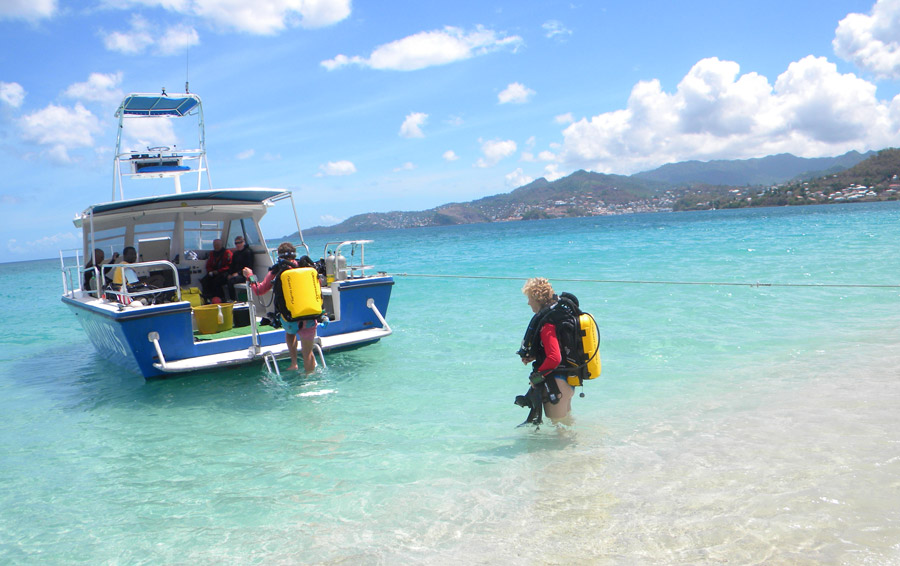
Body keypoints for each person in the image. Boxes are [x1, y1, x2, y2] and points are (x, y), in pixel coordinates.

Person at [243, 242, 318, 373]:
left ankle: (294, 363)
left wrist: (250, 276)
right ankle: (309, 378)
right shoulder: (306, 267)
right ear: (294, 254)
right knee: (308, 354)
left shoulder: (277, 270)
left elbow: (259, 290)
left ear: (279, 256)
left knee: (290, 333)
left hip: (289, 319)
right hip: (310, 317)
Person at [519, 277, 575, 424]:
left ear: (536, 299)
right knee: (566, 424)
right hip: (567, 381)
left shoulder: (547, 324)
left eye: (529, 298)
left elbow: (554, 358)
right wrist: (535, 356)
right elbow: (559, 349)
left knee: (558, 428)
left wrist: (536, 378)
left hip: (556, 384)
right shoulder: (558, 317)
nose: (528, 303)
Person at [200, 238, 232, 302]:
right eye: (214, 245)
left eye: (217, 245)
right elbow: (208, 265)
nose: (216, 246)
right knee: (204, 280)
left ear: (221, 245)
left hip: (224, 273)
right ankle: (207, 298)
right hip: (214, 273)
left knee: (217, 282)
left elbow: (229, 266)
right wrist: (211, 271)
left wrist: (218, 271)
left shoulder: (227, 253)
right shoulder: (212, 254)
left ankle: (221, 299)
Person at [225, 236, 253, 301]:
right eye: (236, 243)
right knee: (223, 278)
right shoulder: (236, 254)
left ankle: (233, 299)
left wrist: (238, 273)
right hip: (236, 274)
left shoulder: (248, 252)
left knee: (231, 281)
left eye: (239, 243)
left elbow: (249, 266)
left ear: (243, 242)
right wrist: (229, 274)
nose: (237, 245)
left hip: (245, 275)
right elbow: (232, 265)